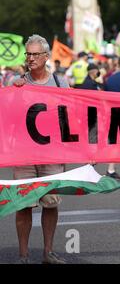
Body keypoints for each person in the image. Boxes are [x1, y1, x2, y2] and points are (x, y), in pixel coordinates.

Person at [13, 34, 69, 264]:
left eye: (36, 54)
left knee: (51, 202)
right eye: (28, 54)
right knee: (23, 205)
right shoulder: (16, 84)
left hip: (51, 153)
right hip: (24, 155)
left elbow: (71, 117)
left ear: (46, 56)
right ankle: (24, 255)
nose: (31, 58)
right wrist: (14, 90)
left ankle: (48, 252)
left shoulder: (60, 83)